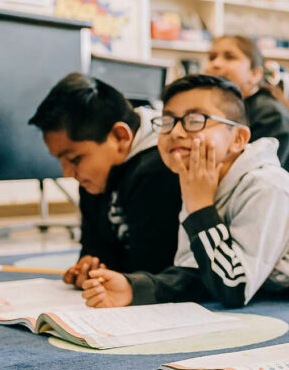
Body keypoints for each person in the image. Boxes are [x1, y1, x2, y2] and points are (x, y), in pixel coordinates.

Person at [80, 75, 289, 309]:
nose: (176, 132)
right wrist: (134, 288)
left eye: (195, 119)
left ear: (238, 139)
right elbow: (195, 271)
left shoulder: (268, 186)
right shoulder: (199, 180)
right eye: (168, 121)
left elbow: (233, 286)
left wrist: (200, 207)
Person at [29, 73, 182, 286]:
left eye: (74, 159)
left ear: (120, 136)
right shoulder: (97, 173)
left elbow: (152, 269)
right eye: (61, 160)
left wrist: (111, 270)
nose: (67, 173)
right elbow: (95, 243)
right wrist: (91, 263)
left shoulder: (161, 169)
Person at [204, 35, 289, 180]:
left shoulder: (270, 115)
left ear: (255, 74)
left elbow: (253, 176)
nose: (215, 63)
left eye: (230, 57)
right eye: (212, 57)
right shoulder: (233, 109)